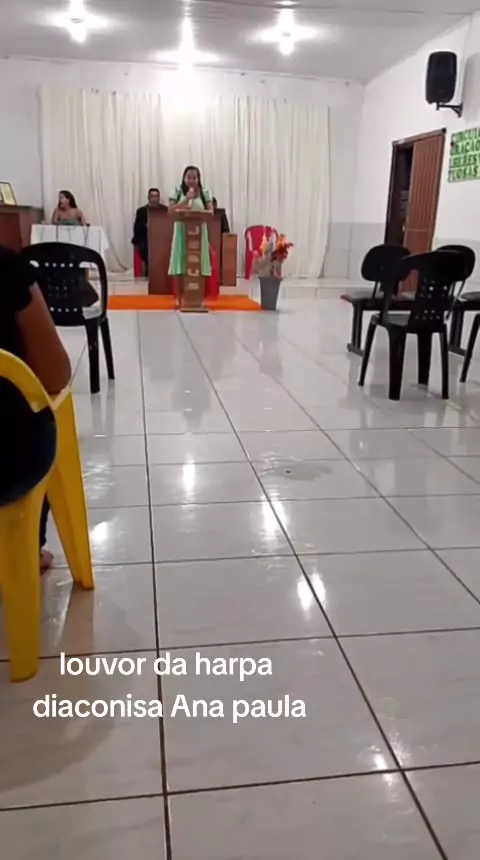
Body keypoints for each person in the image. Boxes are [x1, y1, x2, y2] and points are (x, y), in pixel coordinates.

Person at [0, 246, 71, 571]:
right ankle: (28, 548)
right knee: (34, 417)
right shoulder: (6, 268)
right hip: (8, 463)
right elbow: (56, 375)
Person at [168, 167, 213, 297]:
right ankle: (179, 297)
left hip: (199, 233)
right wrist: (186, 199)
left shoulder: (205, 192)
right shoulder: (177, 191)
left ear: (199, 179)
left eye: (194, 178)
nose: (192, 180)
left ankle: (197, 297)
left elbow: (210, 212)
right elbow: (171, 210)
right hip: (182, 231)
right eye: (189, 177)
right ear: (184, 178)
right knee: (180, 262)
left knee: (198, 262)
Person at [132, 188, 167, 274]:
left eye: (156, 196)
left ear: (159, 198)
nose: (154, 199)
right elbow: (137, 228)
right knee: (145, 247)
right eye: (152, 196)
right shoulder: (141, 211)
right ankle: (151, 269)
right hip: (146, 237)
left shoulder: (164, 210)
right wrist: (146, 226)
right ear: (148, 198)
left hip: (161, 238)